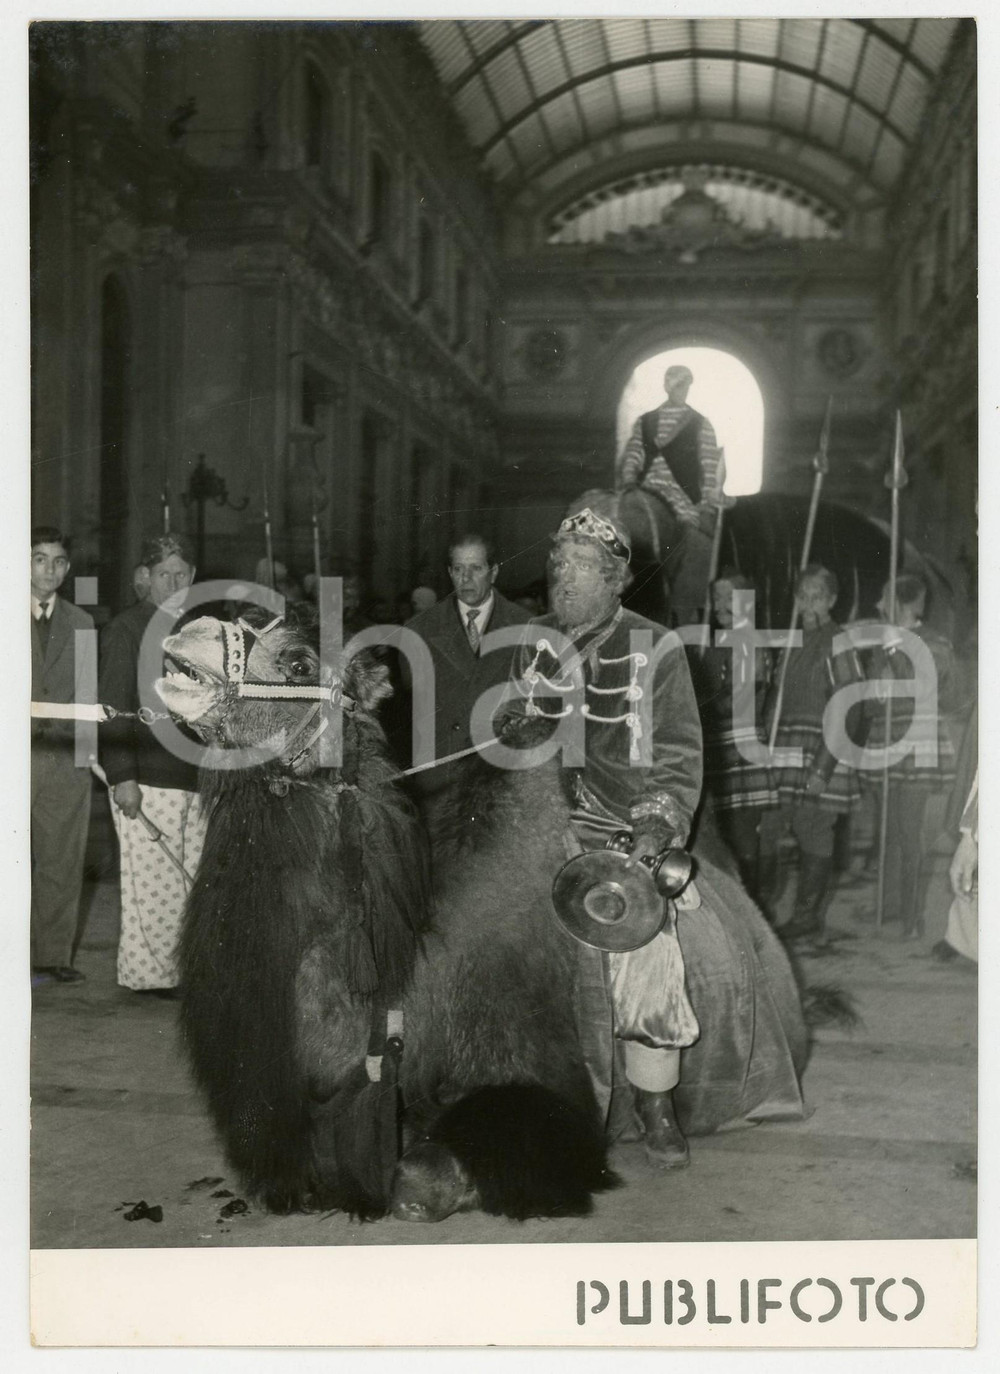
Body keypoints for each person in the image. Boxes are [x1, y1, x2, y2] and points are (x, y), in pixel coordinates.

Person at [500, 507, 704, 1168]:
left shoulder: (658, 645)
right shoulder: (536, 637)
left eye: (583, 568)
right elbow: (516, 726)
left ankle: (654, 1102)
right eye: (560, 565)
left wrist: (654, 824)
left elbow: (677, 753)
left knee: (647, 949)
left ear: (617, 581)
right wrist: (513, 728)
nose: (565, 579)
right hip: (544, 823)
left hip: (624, 827)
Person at [98, 534, 206, 997]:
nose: (175, 582)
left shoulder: (200, 630)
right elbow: (112, 708)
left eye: (183, 573)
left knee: (190, 879)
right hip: (147, 777)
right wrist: (123, 777)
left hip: (196, 776)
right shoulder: (126, 629)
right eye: (166, 574)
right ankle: (152, 976)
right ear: (145, 579)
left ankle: (184, 969)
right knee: (155, 883)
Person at [758, 564, 865, 944]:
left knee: (813, 830)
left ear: (832, 599)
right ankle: (760, 910)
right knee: (768, 826)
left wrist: (823, 766)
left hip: (821, 749)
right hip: (785, 750)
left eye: (816, 595)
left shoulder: (838, 641)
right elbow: (776, 701)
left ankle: (806, 917)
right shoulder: (791, 642)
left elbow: (850, 707)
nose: (807, 602)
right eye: (802, 594)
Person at [864, 574, 957, 938]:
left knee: (907, 830)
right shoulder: (882, 643)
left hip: (916, 741)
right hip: (885, 741)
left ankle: (910, 915)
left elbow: (921, 687)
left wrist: (893, 651)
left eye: (884, 598)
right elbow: (871, 703)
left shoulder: (934, 642)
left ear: (902, 603)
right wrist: (876, 693)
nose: (877, 606)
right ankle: (887, 908)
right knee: (885, 830)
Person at [403, 535, 531, 792]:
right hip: (441, 775)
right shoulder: (418, 630)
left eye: (476, 568)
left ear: (493, 572)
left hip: (502, 775)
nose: (466, 578)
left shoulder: (528, 627)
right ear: (449, 573)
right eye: (459, 569)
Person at [30, 526, 97, 983]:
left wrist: (87, 757)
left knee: (60, 858)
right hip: (11, 755)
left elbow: (88, 693)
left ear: (67, 569)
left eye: (57, 561)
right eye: (39, 559)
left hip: (62, 755)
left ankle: (52, 956)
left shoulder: (82, 623)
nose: (48, 569)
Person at [688, 569, 777, 897]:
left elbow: (740, 700)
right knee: (719, 831)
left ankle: (753, 903)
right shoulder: (715, 643)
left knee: (741, 835)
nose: (721, 605)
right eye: (717, 597)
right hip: (718, 746)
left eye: (730, 598)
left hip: (740, 746)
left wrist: (697, 705)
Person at [615, 364, 724, 622]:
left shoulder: (700, 423)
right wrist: (629, 479)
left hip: (680, 494)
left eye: (685, 385)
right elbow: (633, 454)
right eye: (677, 385)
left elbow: (709, 465)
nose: (681, 390)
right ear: (667, 386)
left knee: (696, 536)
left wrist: (707, 500)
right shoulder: (646, 421)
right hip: (649, 490)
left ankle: (683, 604)